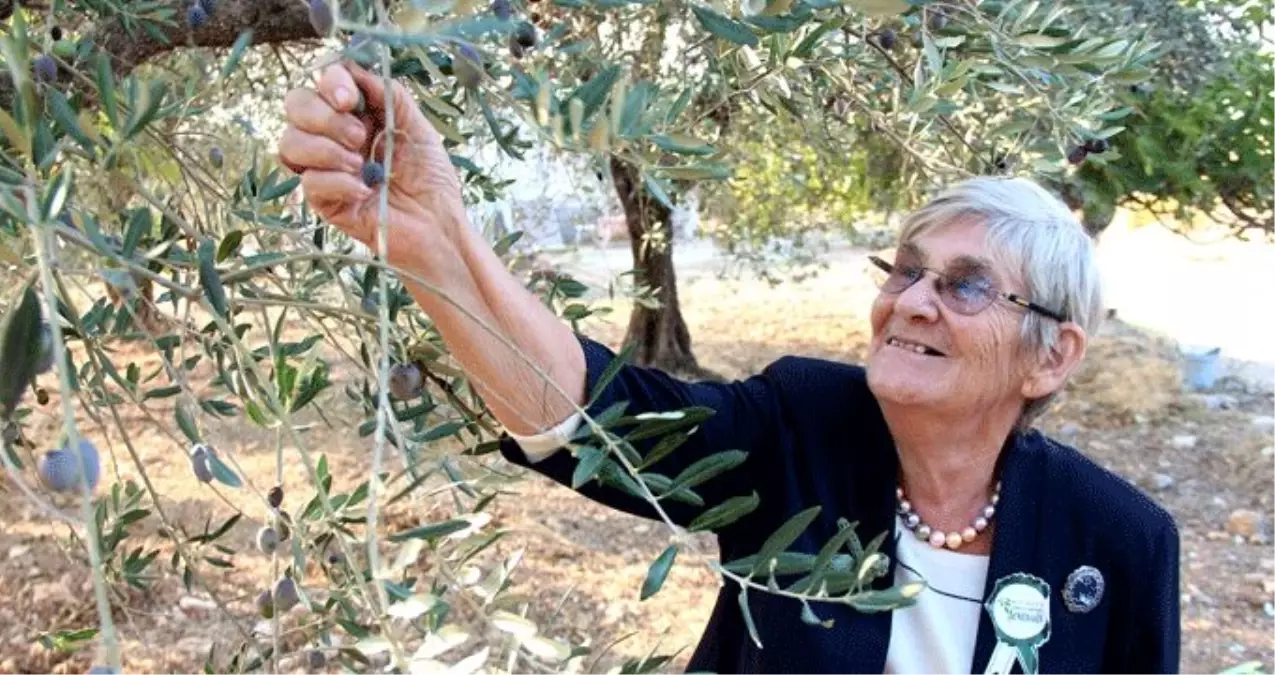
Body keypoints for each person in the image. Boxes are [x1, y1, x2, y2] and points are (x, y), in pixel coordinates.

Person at [280, 61, 1181, 675]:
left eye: (965, 286)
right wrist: (436, 237)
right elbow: (588, 421)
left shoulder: (1118, 539)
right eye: (907, 270)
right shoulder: (800, 427)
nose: (911, 300)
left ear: (1051, 354)